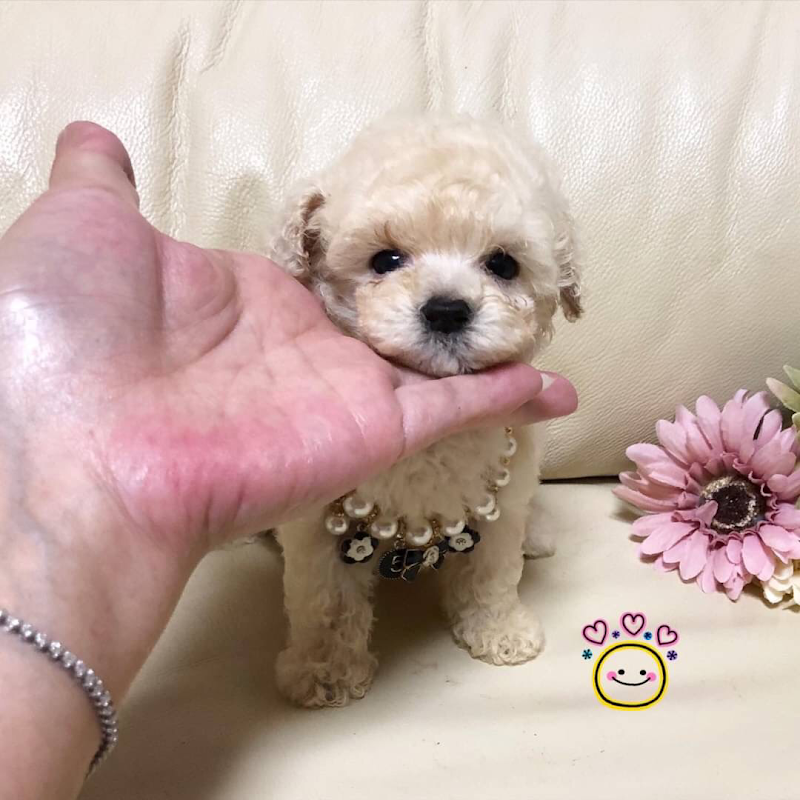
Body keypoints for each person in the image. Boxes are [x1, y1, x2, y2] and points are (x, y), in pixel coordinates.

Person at [0, 122, 577, 800]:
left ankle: (483, 607)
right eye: (388, 259)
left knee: (505, 518)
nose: (448, 302)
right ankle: (331, 648)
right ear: (311, 254)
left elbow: (503, 517)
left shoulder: (510, 427)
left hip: (483, 464)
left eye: (501, 266)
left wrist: (492, 607)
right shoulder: (313, 424)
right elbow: (314, 537)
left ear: (556, 284)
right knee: (314, 535)